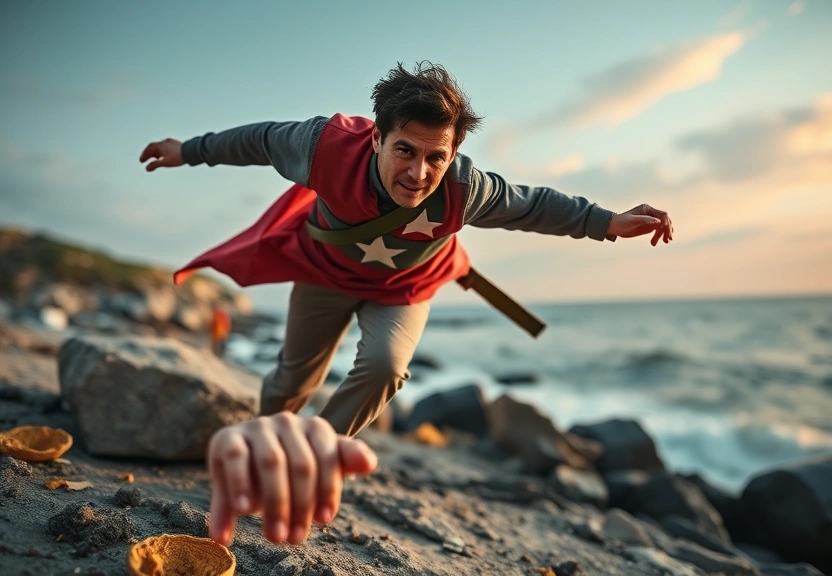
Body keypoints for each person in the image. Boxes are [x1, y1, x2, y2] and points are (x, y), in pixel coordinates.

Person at [140, 62, 673, 545]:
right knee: (290, 380)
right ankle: (261, 460)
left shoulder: (465, 188)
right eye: (405, 151)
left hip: (405, 287)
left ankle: (313, 457)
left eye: (436, 157)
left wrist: (608, 222)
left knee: (386, 367)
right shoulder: (324, 146)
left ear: (453, 154)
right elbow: (257, 140)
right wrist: (188, 150)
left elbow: (532, 205)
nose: (419, 173)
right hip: (324, 273)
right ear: (377, 137)